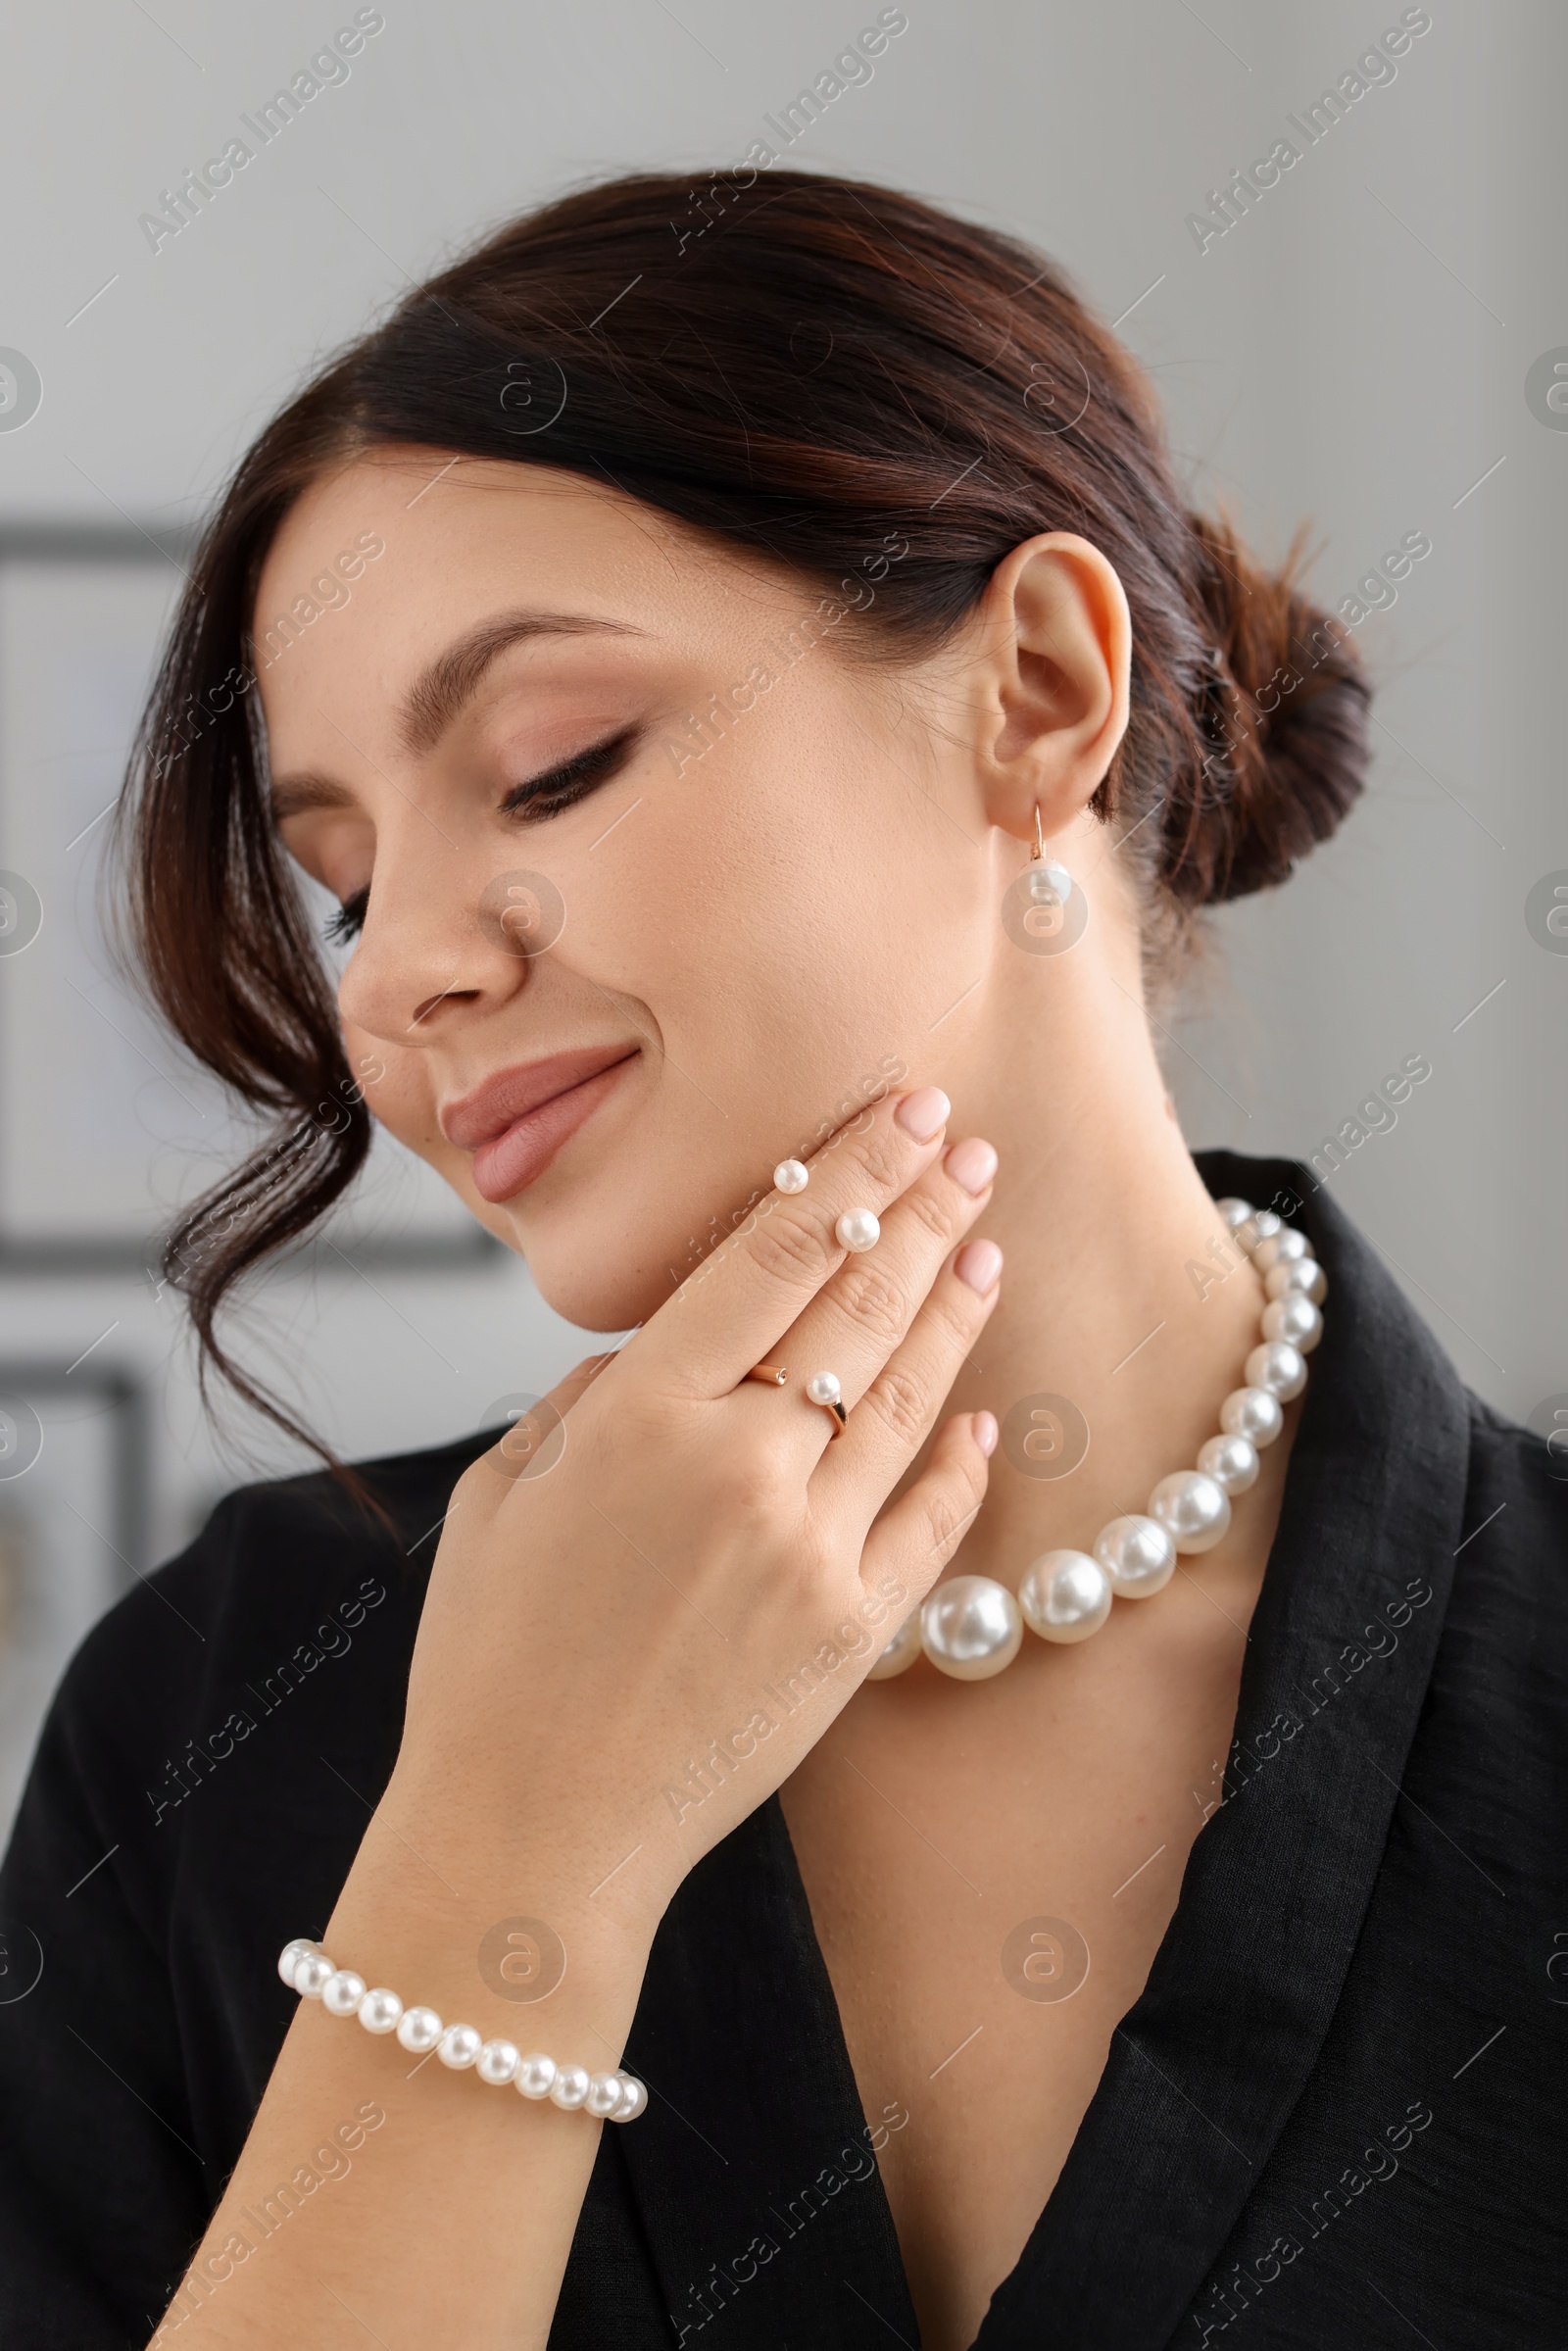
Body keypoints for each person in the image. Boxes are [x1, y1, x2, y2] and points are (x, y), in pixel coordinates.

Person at [0, 169, 1559, 2351]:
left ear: (1033, 687)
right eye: (345, 887)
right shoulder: (207, 1722)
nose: (399, 984)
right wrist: (510, 1845)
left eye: (549, 766)